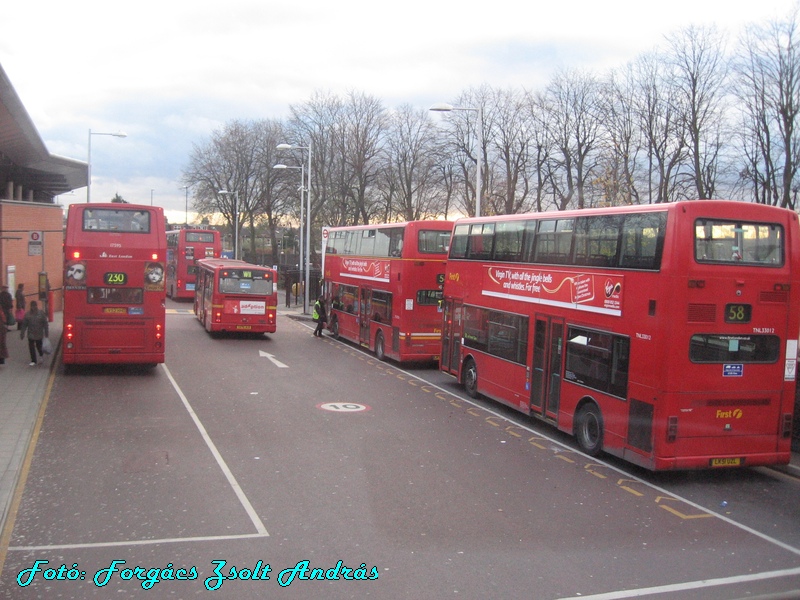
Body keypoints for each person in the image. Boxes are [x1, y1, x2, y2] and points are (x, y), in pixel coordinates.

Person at [19, 300, 49, 366]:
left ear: (36, 306)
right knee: (31, 347)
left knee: (39, 346)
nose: (34, 307)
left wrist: (46, 332)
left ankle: (41, 356)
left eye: (35, 306)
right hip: (31, 334)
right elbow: (24, 324)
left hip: (39, 334)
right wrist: (22, 333)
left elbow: (45, 323)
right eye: (33, 306)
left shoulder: (41, 313)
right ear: (31, 307)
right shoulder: (27, 314)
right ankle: (33, 360)